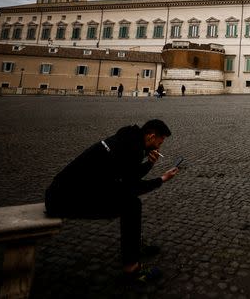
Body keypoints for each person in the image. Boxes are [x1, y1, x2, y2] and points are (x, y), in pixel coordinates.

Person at [45, 119, 179, 283]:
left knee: (129, 201)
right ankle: (132, 267)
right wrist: (162, 179)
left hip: (63, 193)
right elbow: (132, 187)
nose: (160, 146)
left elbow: (127, 175)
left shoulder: (128, 139)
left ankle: (134, 246)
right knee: (131, 205)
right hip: (64, 200)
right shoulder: (133, 150)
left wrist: (149, 164)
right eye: (160, 141)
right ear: (151, 136)